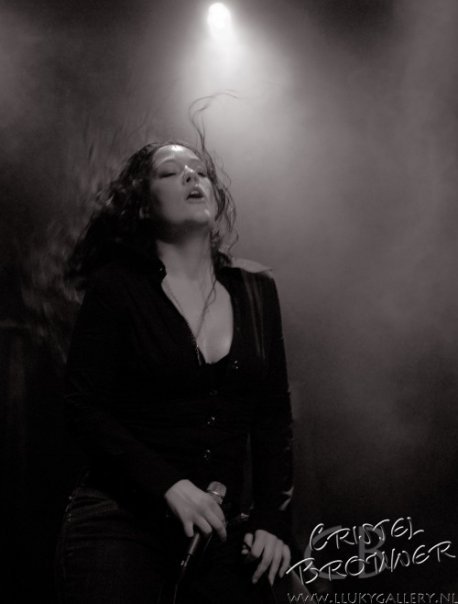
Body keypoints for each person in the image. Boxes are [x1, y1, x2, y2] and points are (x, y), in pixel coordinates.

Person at [54, 139, 295, 603]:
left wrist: (272, 521)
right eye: (170, 172)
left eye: (200, 171)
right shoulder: (116, 288)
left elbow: (273, 416)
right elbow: (82, 407)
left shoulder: (256, 290)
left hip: (219, 529)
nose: (191, 176)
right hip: (121, 519)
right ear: (143, 205)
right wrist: (168, 484)